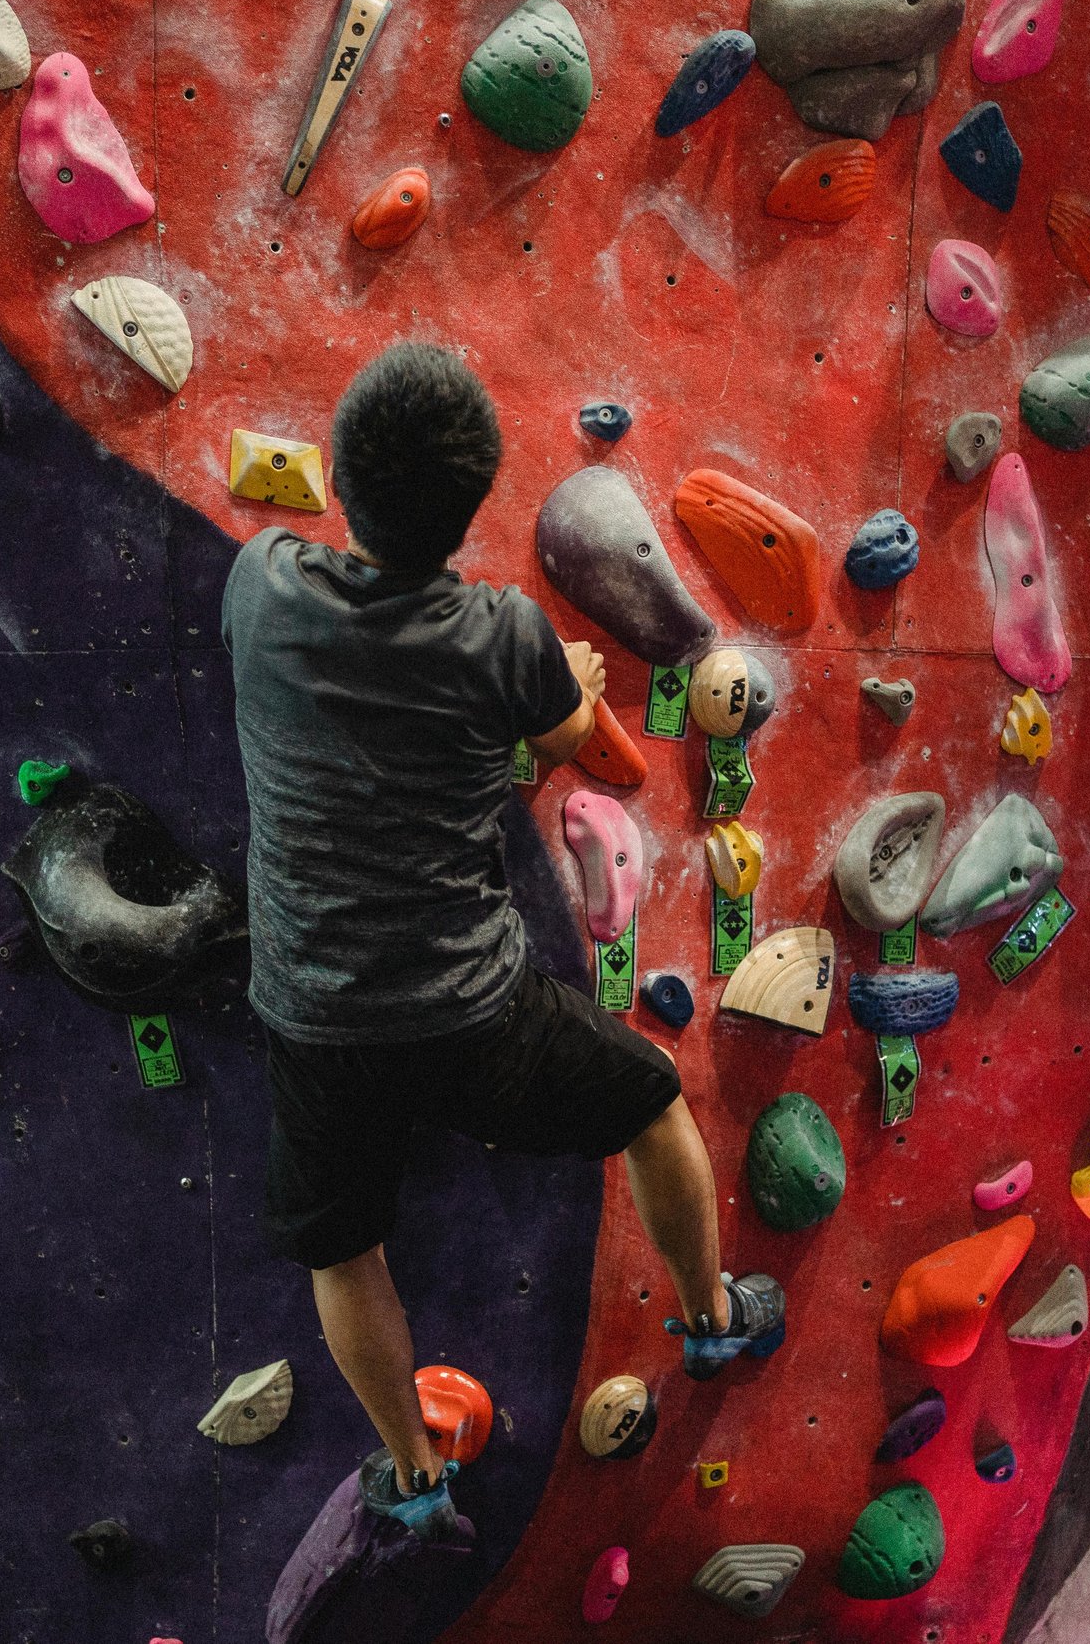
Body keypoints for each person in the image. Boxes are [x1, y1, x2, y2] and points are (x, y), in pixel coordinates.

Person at [221, 341, 787, 1529]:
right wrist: (570, 679)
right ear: (473, 508)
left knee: (345, 1249)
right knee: (649, 1099)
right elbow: (568, 729)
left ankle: (415, 1476)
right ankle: (713, 1319)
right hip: (471, 1011)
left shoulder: (262, 584)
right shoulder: (501, 632)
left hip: (314, 1015)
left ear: (334, 475)